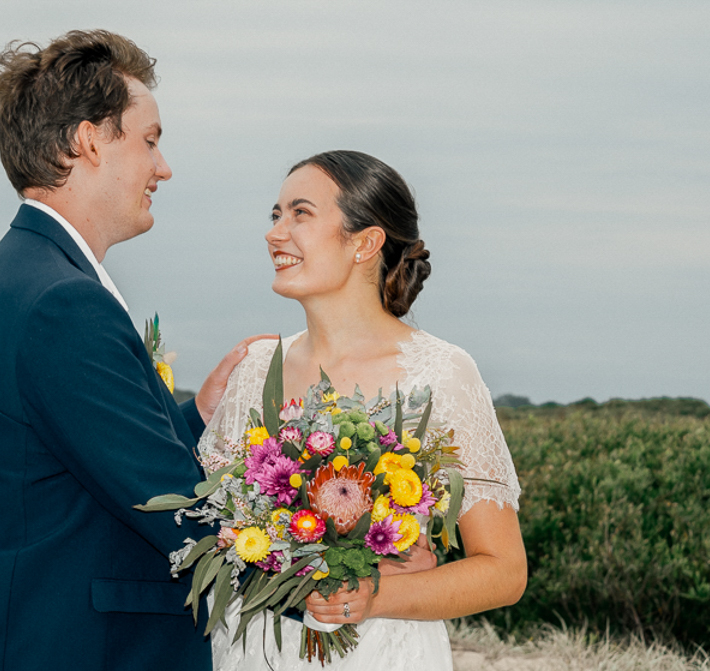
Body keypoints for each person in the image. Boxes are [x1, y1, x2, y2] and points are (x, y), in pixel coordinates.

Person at [0, 30, 268, 671]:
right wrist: (344, 566)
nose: (163, 166)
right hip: (70, 646)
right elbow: (173, 512)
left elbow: (82, 464)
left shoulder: (22, 270)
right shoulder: (63, 301)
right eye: (150, 140)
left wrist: (195, 412)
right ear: (90, 140)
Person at [201, 150, 527, 670]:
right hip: (253, 651)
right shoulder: (256, 369)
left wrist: (373, 596)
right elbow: (201, 528)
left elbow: (503, 571)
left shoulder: (440, 372)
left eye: (300, 213)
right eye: (275, 215)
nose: (275, 233)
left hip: (380, 653)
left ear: (366, 242)